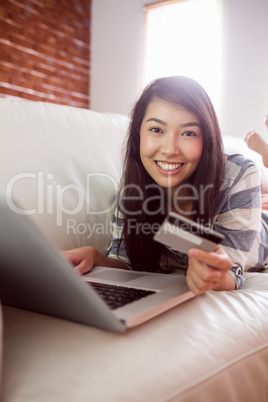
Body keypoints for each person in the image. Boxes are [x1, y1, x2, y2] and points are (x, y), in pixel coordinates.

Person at [64, 76, 268, 295]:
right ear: (138, 134)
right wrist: (96, 258)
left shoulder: (238, 174)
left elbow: (230, 271)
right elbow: (127, 262)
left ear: (207, 139)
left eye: (188, 133)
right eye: (156, 130)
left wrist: (215, 276)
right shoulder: (134, 188)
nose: (170, 149)